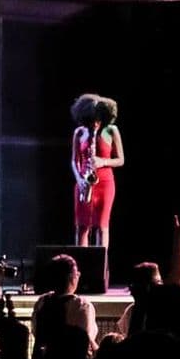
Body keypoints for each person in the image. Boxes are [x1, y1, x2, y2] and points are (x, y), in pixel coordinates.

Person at [70, 94, 125, 255]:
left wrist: (102, 161)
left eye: (98, 120)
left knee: (102, 226)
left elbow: (121, 160)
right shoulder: (79, 132)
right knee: (82, 226)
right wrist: (79, 179)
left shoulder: (111, 130)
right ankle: (80, 264)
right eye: (91, 120)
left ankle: (101, 266)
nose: (94, 124)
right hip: (83, 183)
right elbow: (74, 160)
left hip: (105, 183)